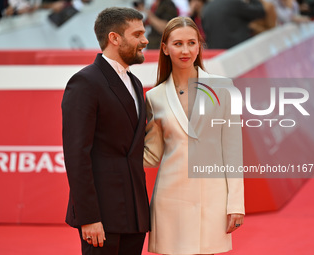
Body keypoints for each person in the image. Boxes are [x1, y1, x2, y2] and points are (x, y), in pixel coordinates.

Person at [144, 16, 245, 254]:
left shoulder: (223, 88)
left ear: (199, 46)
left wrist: (235, 204)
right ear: (165, 48)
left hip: (213, 199)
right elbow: (152, 155)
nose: (185, 50)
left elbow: (232, 150)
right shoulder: (154, 97)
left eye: (191, 42)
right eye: (177, 44)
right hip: (170, 200)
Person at [61, 7, 150, 255]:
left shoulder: (135, 82)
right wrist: (88, 217)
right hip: (101, 215)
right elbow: (77, 155)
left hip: (134, 214)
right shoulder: (86, 81)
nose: (145, 40)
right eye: (138, 34)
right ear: (114, 38)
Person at [202, 0, 266, 49]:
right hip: (238, 52)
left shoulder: (206, 8)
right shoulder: (233, 2)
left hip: (219, 56)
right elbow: (259, 12)